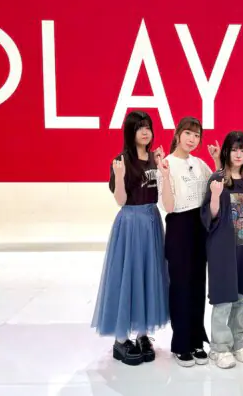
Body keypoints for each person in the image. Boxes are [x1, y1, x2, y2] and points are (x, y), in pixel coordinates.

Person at [91, 110, 169, 366]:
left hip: (152, 221)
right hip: (131, 223)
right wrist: (120, 175)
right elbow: (121, 200)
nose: (145, 132)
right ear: (130, 132)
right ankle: (121, 340)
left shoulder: (155, 158)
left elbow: (163, 195)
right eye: (139, 128)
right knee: (129, 277)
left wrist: (163, 168)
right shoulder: (121, 160)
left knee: (148, 276)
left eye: (148, 127)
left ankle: (143, 334)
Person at [200, 131, 243, 369]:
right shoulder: (217, 178)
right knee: (223, 298)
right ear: (226, 152)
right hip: (222, 248)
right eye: (234, 149)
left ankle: (238, 342)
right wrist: (215, 196)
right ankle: (219, 347)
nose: (238, 154)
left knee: (240, 298)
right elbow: (210, 215)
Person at [158, 116, 214, 367]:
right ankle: (181, 343)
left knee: (198, 284)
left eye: (197, 135)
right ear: (178, 133)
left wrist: (216, 160)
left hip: (199, 226)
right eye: (188, 133)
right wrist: (165, 176)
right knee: (180, 285)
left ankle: (196, 340)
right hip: (179, 226)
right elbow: (169, 206)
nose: (192, 139)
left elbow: (218, 184)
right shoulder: (167, 163)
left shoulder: (199, 163)